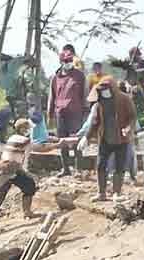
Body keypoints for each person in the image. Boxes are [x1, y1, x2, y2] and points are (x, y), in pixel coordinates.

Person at [86, 77, 137, 202]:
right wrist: (86, 137)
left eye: (106, 90)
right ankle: (101, 193)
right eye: (101, 90)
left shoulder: (125, 99)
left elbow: (132, 117)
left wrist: (128, 128)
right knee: (100, 165)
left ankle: (117, 193)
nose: (104, 92)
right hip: (105, 139)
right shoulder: (100, 103)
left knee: (119, 167)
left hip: (121, 139)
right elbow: (95, 122)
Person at [0, 119, 41, 231]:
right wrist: (57, 144)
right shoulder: (25, 140)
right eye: (27, 128)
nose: (29, 130)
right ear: (22, 129)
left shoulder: (12, 137)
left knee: (29, 185)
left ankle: (27, 212)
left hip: (11, 169)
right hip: (8, 172)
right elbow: (39, 148)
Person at [48, 45, 87, 178]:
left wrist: (85, 111)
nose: (68, 64)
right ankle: (66, 169)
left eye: (69, 61)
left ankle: (79, 169)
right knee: (62, 142)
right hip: (60, 113)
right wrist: (50, 113)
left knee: (76, 140)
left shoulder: (79, 76)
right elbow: (52, 96)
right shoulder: (55, 77)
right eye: (65, 62)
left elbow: (84, 94)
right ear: (61, 62)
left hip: (76, 112)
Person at [124, 46, 144, 117]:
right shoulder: (130, 67)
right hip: (133, 91)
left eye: (136, 56)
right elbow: (127, 80)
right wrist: (128, 86)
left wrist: (141, 87)